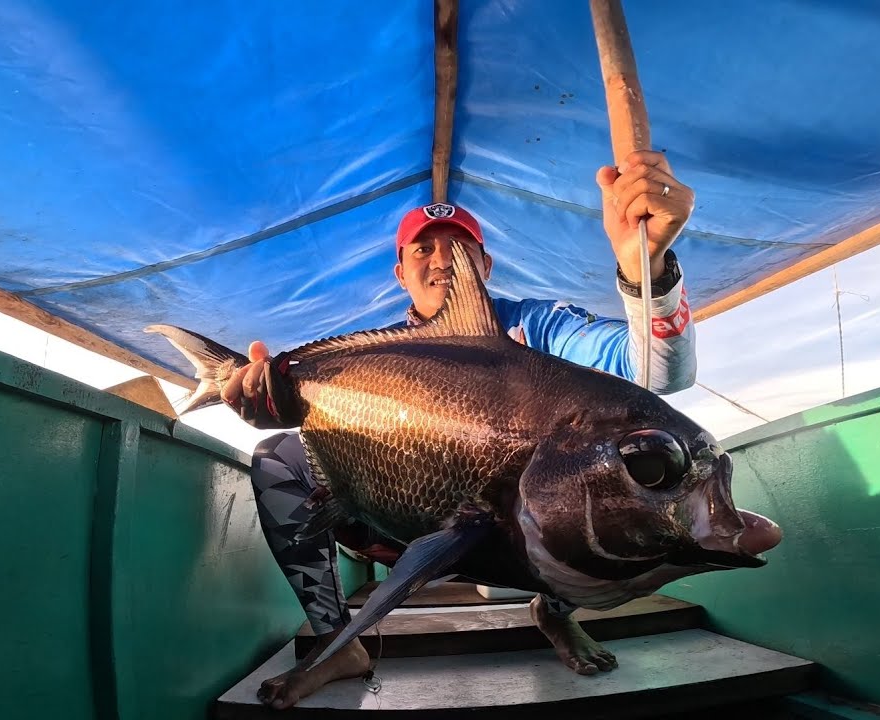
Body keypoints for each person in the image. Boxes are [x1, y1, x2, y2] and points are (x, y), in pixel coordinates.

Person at [225, 151, 697, 709]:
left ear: (486, 265)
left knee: (597, 481)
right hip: (396, 513)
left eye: (460, 247)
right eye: (424, 247)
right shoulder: (378, 354)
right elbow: (312, 418)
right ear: (401, 273)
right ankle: (337, 642)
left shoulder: (540, 325)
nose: (442, 258)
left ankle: (556, 609)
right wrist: (270, 400)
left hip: (518, 528)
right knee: (275, 456)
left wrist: (650, 269)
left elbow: (659, 373)